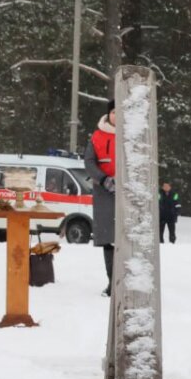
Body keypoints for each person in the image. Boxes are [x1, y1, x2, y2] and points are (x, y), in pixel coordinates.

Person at [84, 99, 116, 296]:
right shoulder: (97, 136)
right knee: (108, 239)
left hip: (126, 192)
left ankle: (125, 281)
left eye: (120, 112)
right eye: (113, 112)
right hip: (104, 192)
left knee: (125, 238)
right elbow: (88, 162)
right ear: (108, 114)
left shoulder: (131, 135)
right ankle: (112, 283)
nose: (116, 116)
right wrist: (103, 179)